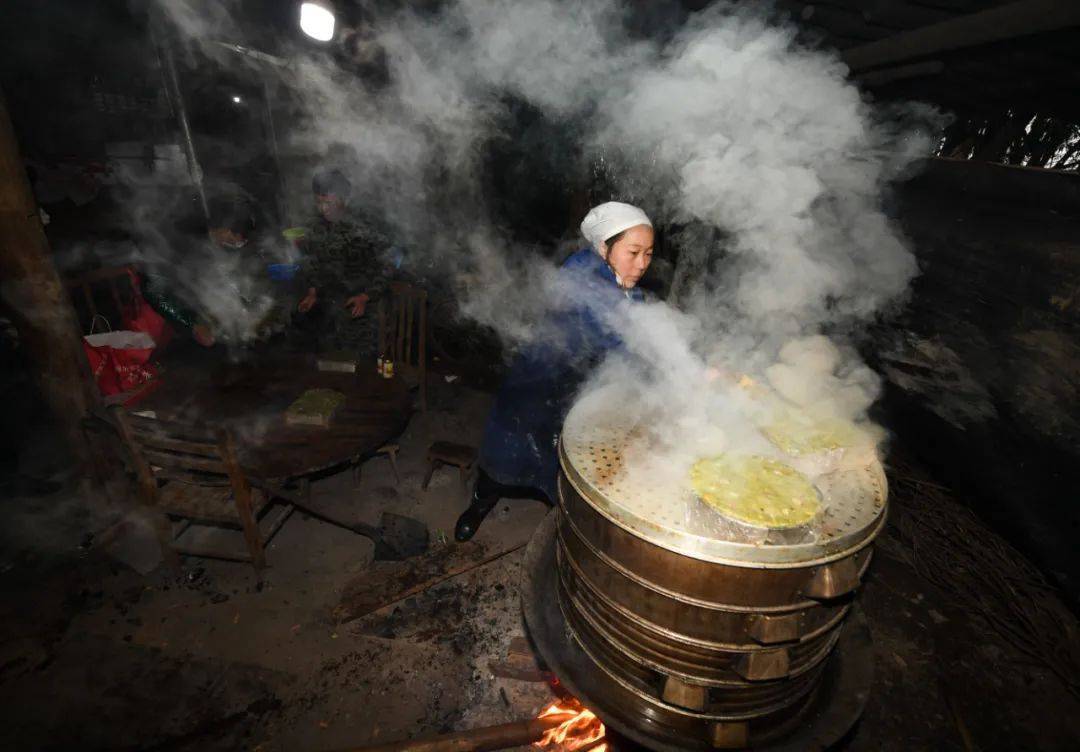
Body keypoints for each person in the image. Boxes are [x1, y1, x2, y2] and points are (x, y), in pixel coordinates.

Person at [454, 201, 655, 541]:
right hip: (536, 387)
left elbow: (638, 325)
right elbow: (620, 336)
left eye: (649, 254)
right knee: (503, 463)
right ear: (604, 247)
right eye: (633, 252)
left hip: (573, 394)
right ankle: (478, 505)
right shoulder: (582, 275)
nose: (642, 264)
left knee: (562, 475)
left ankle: (561, 529)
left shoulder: (617, 280)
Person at [296, 168, 392, 358]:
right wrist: (312, 292)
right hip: (329, 311)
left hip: (362, 314)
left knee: (361, 370)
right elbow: (315, 260)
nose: (323, 208)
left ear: (344, 199)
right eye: (319, 202)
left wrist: (367, 295)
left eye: (328, 202)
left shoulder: (364, 224)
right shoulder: (316, 225)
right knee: (328, 367)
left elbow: (388, 263)